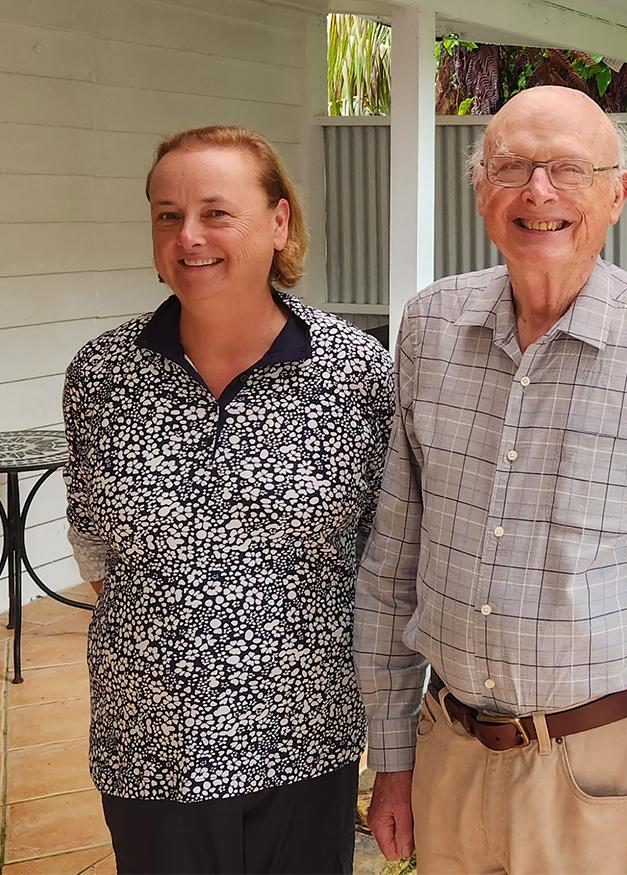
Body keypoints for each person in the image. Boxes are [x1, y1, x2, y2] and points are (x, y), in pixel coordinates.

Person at [354, 85, 627, 874]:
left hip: (604, 779)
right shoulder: (430, 326)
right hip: (452, 759)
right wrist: (392, 759)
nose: (538, 192)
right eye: (512, 167)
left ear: (616, 193)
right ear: (479, 189)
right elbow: (393, 557)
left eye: (568, 168)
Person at [62, 125, 395, 874]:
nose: (189, 236)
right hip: (150, 742)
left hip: (304, 735)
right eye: (167, 214)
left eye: (217, 212)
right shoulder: (100, 374)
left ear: (280, 222)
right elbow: (96, 550)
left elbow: (386, 556)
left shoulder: (357, 375)